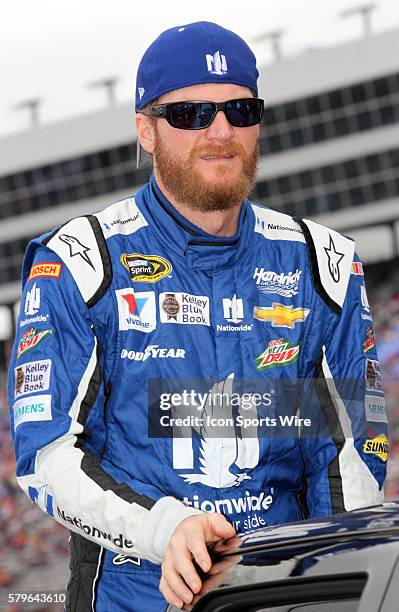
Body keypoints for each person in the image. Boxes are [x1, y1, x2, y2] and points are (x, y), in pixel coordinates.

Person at [8, 21, 387, 611]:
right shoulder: (82, 262)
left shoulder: (325, 265)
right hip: (133, 596)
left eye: (240, 109)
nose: (220, 131)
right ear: (146, 130)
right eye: (189, 114)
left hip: (284, 596)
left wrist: (331, 582)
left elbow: (349, 457)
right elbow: (47, 456)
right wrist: (166, 530)